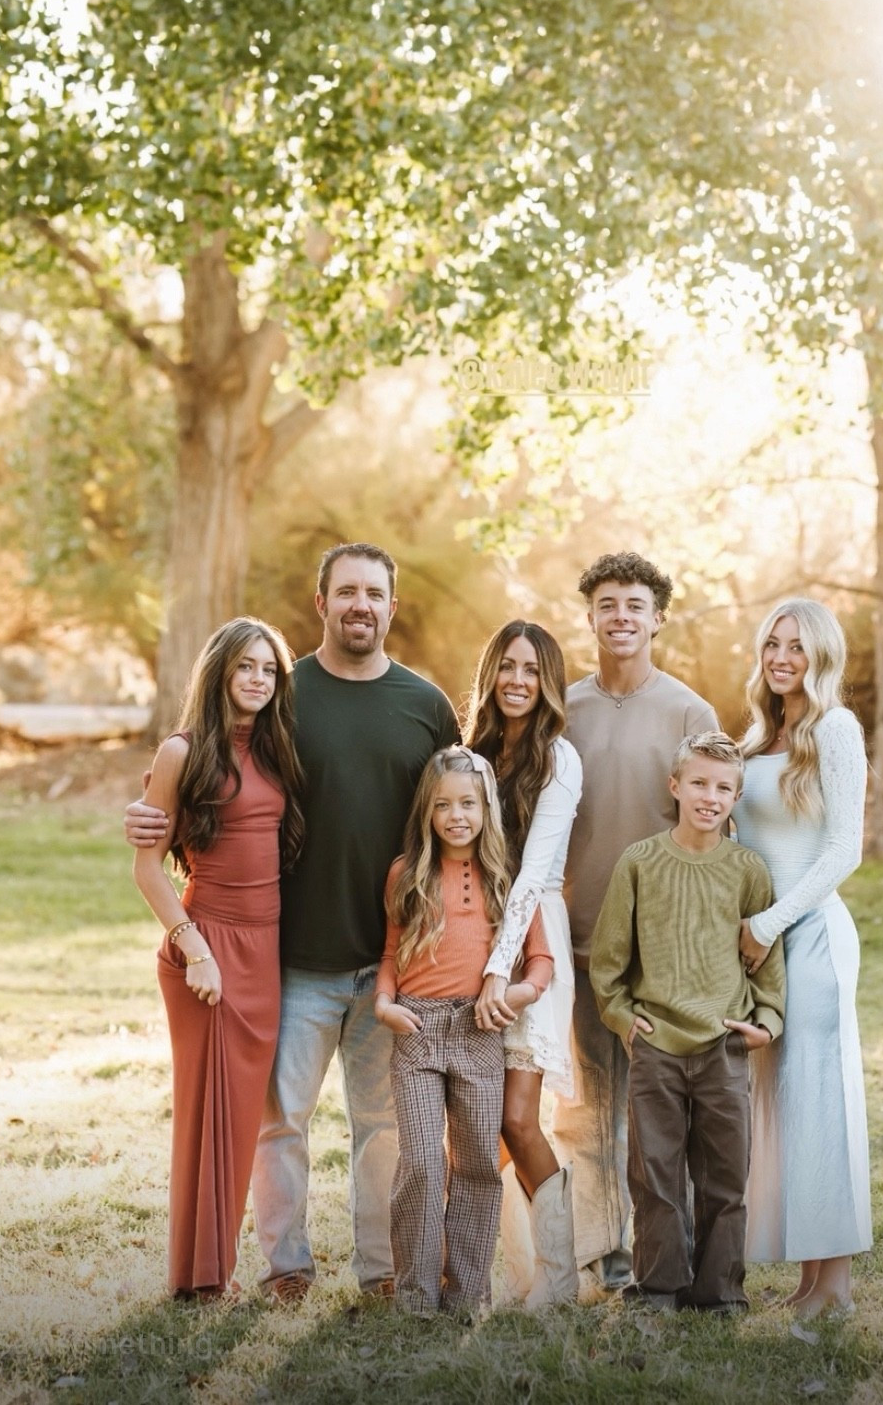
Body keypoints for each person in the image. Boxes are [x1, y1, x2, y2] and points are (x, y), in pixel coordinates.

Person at [126, 543, 459, 1304]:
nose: (360, 606)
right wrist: (150, 813)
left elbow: (454, 817)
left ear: (391, 606)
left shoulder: (426, 705)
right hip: (291, 960)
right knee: (281, 1124)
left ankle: (378, 1270)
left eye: (374, 593)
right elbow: (216, 770)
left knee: (383, 1129)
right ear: (321, 603)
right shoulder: (282, 695)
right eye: (346, 591)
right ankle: (287, 1268)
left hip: (388, 963)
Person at [555, 552, 718, 1292]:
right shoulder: (564, 709)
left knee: (658, 1122)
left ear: (658, 618)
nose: (621, 615)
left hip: (659, 954)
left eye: (635, 605)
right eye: (607, 604)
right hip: (579, 942)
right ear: (588, 616)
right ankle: (605, 1259)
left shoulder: (689, 712)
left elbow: (713, 832)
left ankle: (668, 1262)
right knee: (588, 1118)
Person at [132, 617, 305, 1300]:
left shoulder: (275, 747)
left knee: (241, 1121)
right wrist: (194, 949)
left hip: (264, 952)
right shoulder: (182, 751)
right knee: (204, 1114)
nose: (258, 679)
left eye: (268, 669)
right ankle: (199, 1277)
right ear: (220, 674)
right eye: (246, 667)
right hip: (205, 949)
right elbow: (147, 871)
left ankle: (216, 1269)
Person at [589, 732, 785, 1312]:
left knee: (725, 1178)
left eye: (724, 788)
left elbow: (767, 958)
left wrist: (767, 1021)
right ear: (674, 787)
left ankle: (719, 1291)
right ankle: (657, 1288)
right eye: (698, 783)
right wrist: (622, 1016)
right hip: (657, 1045)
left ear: (736, 798)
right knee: (655, 1176)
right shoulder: (640, 862)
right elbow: (608, 959)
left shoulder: (748, 869)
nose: (710, 797)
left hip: (724, 1043)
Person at [375, 747, 555, 1315]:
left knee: (477, 1161)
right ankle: (416, 1294)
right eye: (444, 805)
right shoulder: (406, 873)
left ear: (486, 808)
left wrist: (513, 994)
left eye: (468, 803)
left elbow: (542, 963)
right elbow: (389, 954)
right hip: (417, 1028)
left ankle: (468, 1291)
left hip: (479, 1029)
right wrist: (384, 1004)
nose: (457, 815)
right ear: (427, 812)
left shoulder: (507, 879)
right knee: (424, 1162)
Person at [733, 597, 872, 1318]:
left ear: (820, 656)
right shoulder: (757, 737)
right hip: (758, 941)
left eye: (796, 647)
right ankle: (807, 1279)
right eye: (771, 645)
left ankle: (837, 1285)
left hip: (810, 934)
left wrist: (772, 922)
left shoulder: (836, 730)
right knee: (781, 1104)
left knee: (820, 1098)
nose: (781, 657)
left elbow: (841, 849)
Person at [467, 622, 583, 1307]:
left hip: (532, 939)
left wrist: (497, 973)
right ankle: (500, 1274)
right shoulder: (468, 753)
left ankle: (559, 1279)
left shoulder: (559, 759)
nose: (516, 680)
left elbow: (533, 874)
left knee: (517, 1118)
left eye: (531, 671)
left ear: (548, 684)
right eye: (506, 666)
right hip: (469, 939)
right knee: (478, 1129)